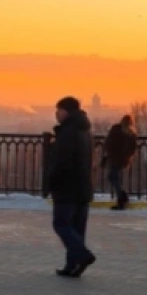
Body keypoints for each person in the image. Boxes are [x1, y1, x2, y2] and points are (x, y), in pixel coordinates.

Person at [46, 96, 97, 278]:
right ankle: (73, 265)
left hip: (67, 187)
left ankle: (82, 256)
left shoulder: (68, 132)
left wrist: (52, 183)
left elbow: (62, 162)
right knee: (77, 227)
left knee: (61, 223)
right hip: (83, 186)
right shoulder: (84, 130)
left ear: (66, 112)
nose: (56, 114)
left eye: (58, 110)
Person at [102, 115, 139, 210]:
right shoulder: (131, 132)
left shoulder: (116, 129)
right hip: (123, 159)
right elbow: (132, 148)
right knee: (115, 178)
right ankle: (122, 197)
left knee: (113, 177)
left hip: (115, 158)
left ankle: (122, 197)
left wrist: (109, 152)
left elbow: (108, 143)